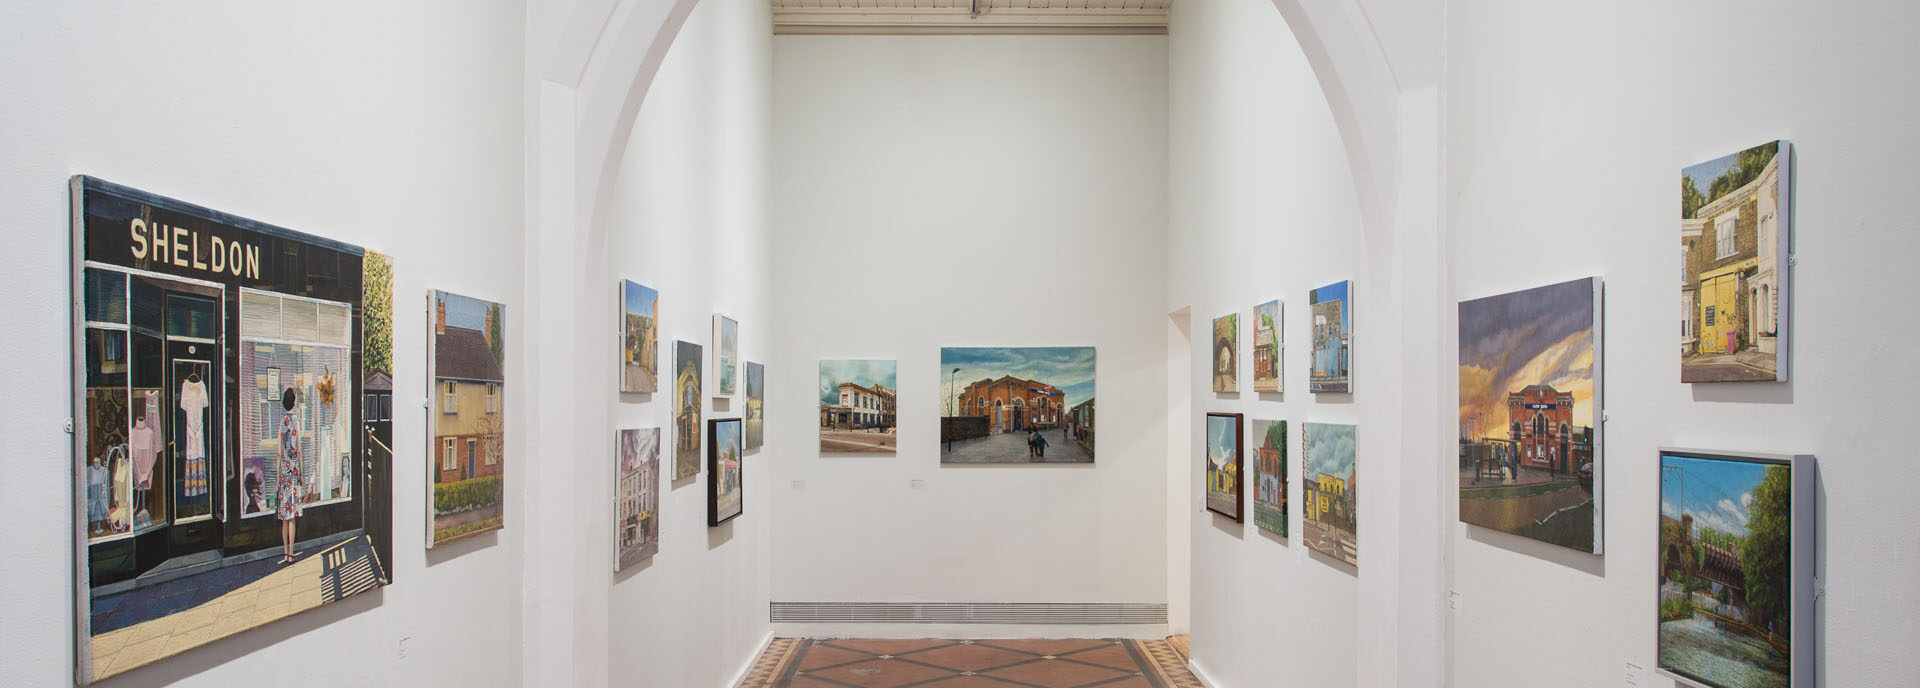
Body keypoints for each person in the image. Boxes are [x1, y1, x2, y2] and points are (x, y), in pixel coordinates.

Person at [277, 388, 304, 564]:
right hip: (293, 471)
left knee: (284, 518)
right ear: (293, 402)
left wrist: (278, 473)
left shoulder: (281, 422)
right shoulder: (295, 421)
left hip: (283, 473)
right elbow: (299, 450)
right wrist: (302, 472)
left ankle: (285, 551)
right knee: (292, 515)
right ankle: (292, 553)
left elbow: (278, 451)